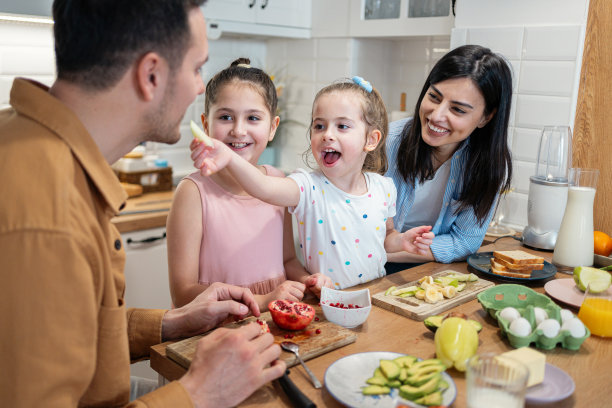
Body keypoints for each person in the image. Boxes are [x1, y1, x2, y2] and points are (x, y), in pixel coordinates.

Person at [0, 1, 285, 407]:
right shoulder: (48, 217)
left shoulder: (35, 148)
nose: (198, 87)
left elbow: (72, 330)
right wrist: (200, 393)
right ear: (151, 75)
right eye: (197, 68)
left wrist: (172, 323)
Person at [191, 77, 434, 289]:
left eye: (342, 126)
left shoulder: (384, 188)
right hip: (325, 304)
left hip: (373, 297)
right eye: (319, 125)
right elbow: (263, 188)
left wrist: (401, 241)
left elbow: (386, 238)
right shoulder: (307, 187)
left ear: (371, 139)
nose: (327, 134)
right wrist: (230, 158)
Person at [167, 58, 331, 309]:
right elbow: (183, 294)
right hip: (217, 330)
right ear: (206, 124)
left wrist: (307, 281)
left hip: (274, 321)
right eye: (225, 117)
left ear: (273, 127)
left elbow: (287, 260)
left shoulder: (278, 182)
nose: (238, 130)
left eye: (253, 118)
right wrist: (263, 300)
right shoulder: (192, 193)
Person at [384, 44, 513, 272]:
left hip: (419, 269)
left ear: (485, 117)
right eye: (434, 97)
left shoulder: (487, 164)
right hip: (359, 266)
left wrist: (392, 253)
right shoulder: (386, 143)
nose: (437, 116)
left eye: (458, 110)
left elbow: (465, 242)